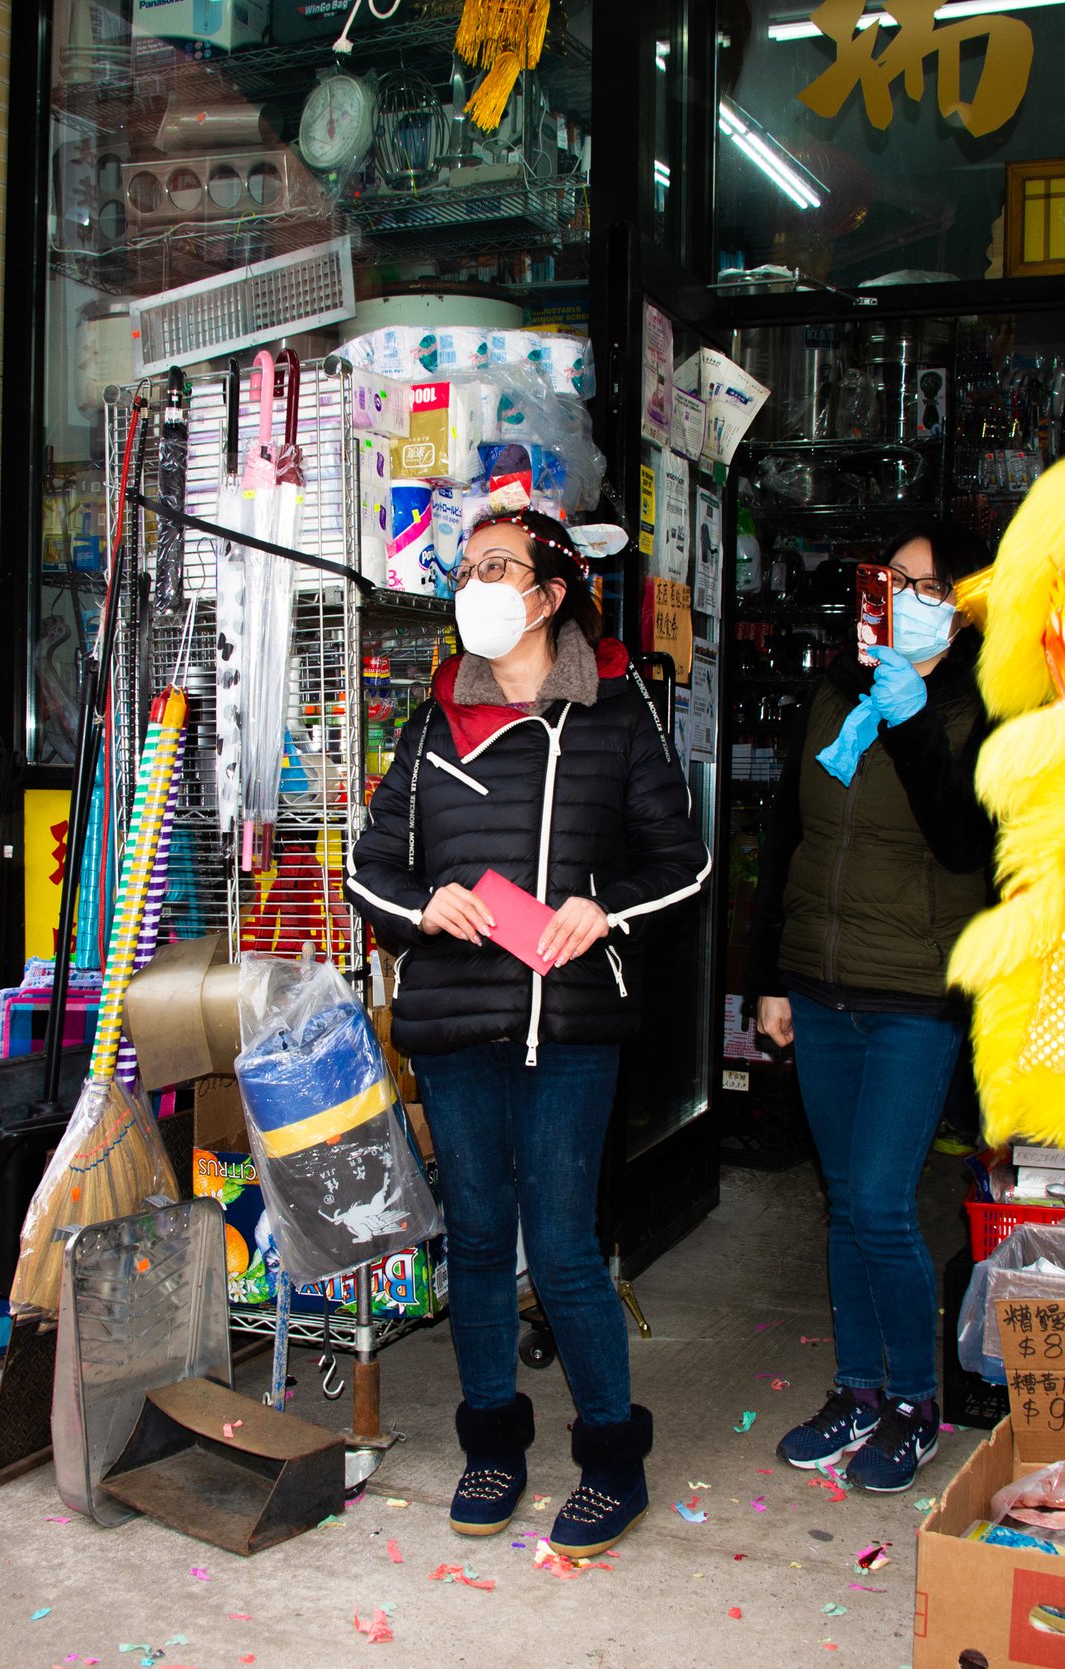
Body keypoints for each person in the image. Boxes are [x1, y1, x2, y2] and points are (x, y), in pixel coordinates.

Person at [347, 508, 708, 1560]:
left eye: (497, 566)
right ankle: (491, 1444)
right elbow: (371, 866)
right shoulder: (430, 723)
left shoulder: (611, 711)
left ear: (551, 592)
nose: (476, 585)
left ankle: (609, 1459)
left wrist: (607, 909)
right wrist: (425, 907)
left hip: (573, 1022)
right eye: (467, 568)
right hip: (457, 1018)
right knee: (472, 1242)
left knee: (559, 1249)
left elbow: (679, 860)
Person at [748, 520, 994, 1492]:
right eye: (888, 576)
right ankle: (855, 1389)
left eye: (921, 580)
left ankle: (915, 1401)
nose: (899, 589)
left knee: (885, 1203)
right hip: (818, 983)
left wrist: (913, 716)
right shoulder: (830, 692)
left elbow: (964, 839)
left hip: (914, 994)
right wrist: (767, 975)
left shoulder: (984, 705)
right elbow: (786, 838)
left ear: (959, 601)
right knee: (842, 1202)